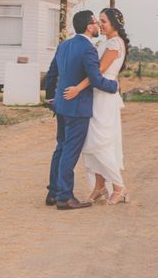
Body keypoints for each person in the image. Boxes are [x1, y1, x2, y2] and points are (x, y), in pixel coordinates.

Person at [44, 11, 118, 210]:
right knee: (70, 151)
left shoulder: (64, 45)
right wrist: (113, 86)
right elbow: (95, 79)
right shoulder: (88, 49)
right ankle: (65, 197)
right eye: (95, 22)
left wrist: (51, 99)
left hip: (61, 105)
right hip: (77, 108)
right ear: (88, 26)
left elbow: (51, 75)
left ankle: (53, 192)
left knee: (60, 148)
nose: (97, 26)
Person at [63, 8, 130, 205]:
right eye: (98, 21)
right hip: (96, 94)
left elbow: (98, 71)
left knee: (99, 141)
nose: (100, 24)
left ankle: (119, 186)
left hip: (104, 96)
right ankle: (99, 186)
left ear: (114, 24)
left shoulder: (115, 43)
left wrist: (77, 88)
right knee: (91, 140)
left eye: (103, 21)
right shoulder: (104, 42)